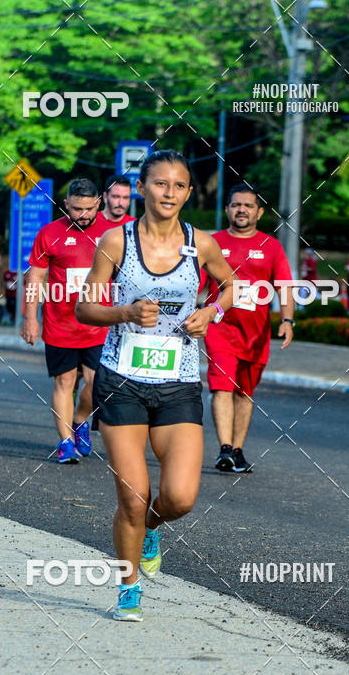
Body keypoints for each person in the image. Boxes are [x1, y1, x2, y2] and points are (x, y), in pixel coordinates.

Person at [75, 149, 235, 622]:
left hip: (178, 383)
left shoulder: (200, 245)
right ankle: (128, 588)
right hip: (120, 379)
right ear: (142, 187)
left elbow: (230, 286)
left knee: (180, 497)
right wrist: (124, 312)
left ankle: (149, 530)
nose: (169, 192)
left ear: (188, 192)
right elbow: (84, 308)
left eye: (179, 185)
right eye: (160, 183)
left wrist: (211, 312)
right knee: (132, 494)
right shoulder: (115, 241)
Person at [202, 184, 294, 474]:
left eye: (248, 205)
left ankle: (237, 451)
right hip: (219, 328)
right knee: (222, 387)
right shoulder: (212, 243)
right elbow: (197, 286)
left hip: (255, 334)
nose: (241, 209)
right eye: (236, 204)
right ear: (227, 209)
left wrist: (288, 320)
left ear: (259, 211)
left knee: (245, 392)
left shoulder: (271, 246)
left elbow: (285, 287)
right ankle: (224, 449)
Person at [22, 178, 106, 463]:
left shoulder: (112, 233)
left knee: (97, 383)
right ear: (66, 204)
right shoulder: (50, 233)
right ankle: (65, 442)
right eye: (76, 209)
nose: (82, 215)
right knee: (64, 381)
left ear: (98, 203)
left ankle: (80, 419)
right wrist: (30, 317)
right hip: (60, 324)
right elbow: (35, 277)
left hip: (99, 325)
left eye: (88, 209)